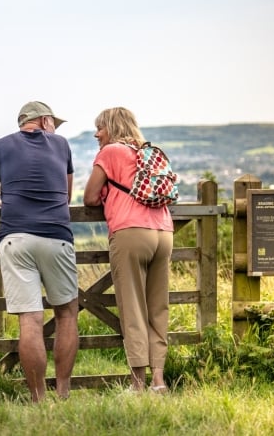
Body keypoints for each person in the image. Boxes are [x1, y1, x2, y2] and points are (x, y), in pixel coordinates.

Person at [0, 100, 79, 403]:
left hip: (16, 237)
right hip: (57, 237)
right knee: (67, 314)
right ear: (45, 121)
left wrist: (2, 203)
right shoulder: (62, 146)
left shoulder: (0, 146)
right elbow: (67, 194)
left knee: (30, 319)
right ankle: (63, 392)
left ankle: (37, 398)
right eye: (54, 123)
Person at [82, 107, 173, 393]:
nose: (97, 134)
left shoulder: (110, 152)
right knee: (158, 307)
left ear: (112, 127)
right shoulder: (146, 152)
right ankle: (159, 380)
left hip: (131, 232)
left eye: (100, 127)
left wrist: (108, 196)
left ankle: (137, 384)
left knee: (132, 307)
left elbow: (89, 197)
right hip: (163, 231)